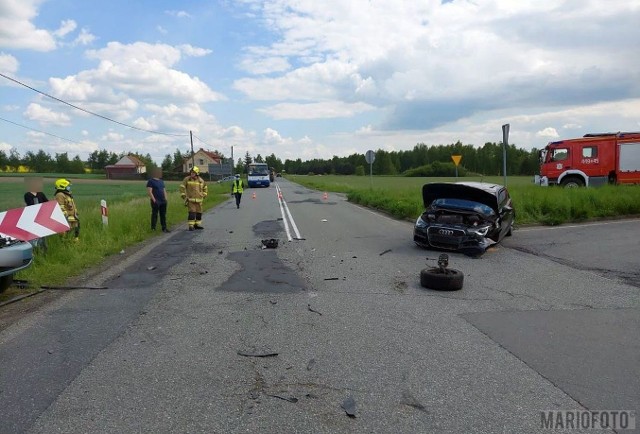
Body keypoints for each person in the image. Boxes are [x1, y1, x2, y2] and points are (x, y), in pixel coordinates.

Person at [24, 177, 49, 250]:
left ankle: (43, 248)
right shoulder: (27, 195)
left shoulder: (41, 194)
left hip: (41, 217)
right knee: (34, 234)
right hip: (32, 217)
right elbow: (30, 204)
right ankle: (34, 248)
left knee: (43, 234)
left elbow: (47, 202)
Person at [179, 166, 208, 231]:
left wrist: (204, 194)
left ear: (197, 173)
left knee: (199, 213)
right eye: (191, 172)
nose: (192, 173)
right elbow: (182, 187)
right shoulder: (187, 179)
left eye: (193, 172)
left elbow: (205, 187)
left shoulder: (201, 180)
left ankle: (197, 225)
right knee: (192, 213)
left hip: (199, 200)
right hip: (190, 200)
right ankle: (191, 226)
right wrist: (183, 195)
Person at [146, 168, 170, 233]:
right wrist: (154, 200)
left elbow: (164, 190)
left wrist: (166, 199)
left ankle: (164, 228)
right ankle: (153, 228)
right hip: (156, 201)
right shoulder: (150, 181)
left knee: (163, 214)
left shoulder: (161, 181)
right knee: (155, 214)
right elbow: (149, 192)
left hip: (163, 201)